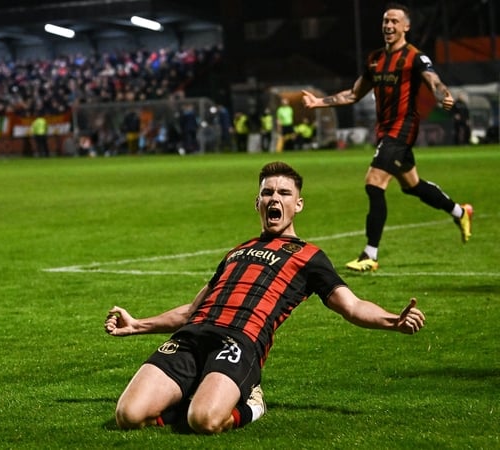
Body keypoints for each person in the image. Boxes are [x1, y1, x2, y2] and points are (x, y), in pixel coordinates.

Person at [105, 161, 426, 435]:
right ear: (257, 201)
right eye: (268, 192)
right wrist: (137, 325)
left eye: (284, 193)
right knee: (128, 416)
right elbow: (192, 310)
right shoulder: (237, 252)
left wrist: (393, 321)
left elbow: (352, 306)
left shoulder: (309, 257)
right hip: (190, 338)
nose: (275, 199)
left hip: (238, 342)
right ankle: (194, 392)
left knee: (204, 421)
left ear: (298, 204)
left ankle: (252, 403)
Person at [301, 2, 472, 272]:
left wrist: (443, 96)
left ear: (406, 26)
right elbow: (354, 94)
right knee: (412, 185)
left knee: (374, 181)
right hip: (385, 130)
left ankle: (370, 254)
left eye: (394, 21)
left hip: (403, 129)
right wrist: (318, 102)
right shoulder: (375, 59)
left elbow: (433, 80)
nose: (389, 26)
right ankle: (460, 212)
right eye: (385, 21)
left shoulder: (414, 56)